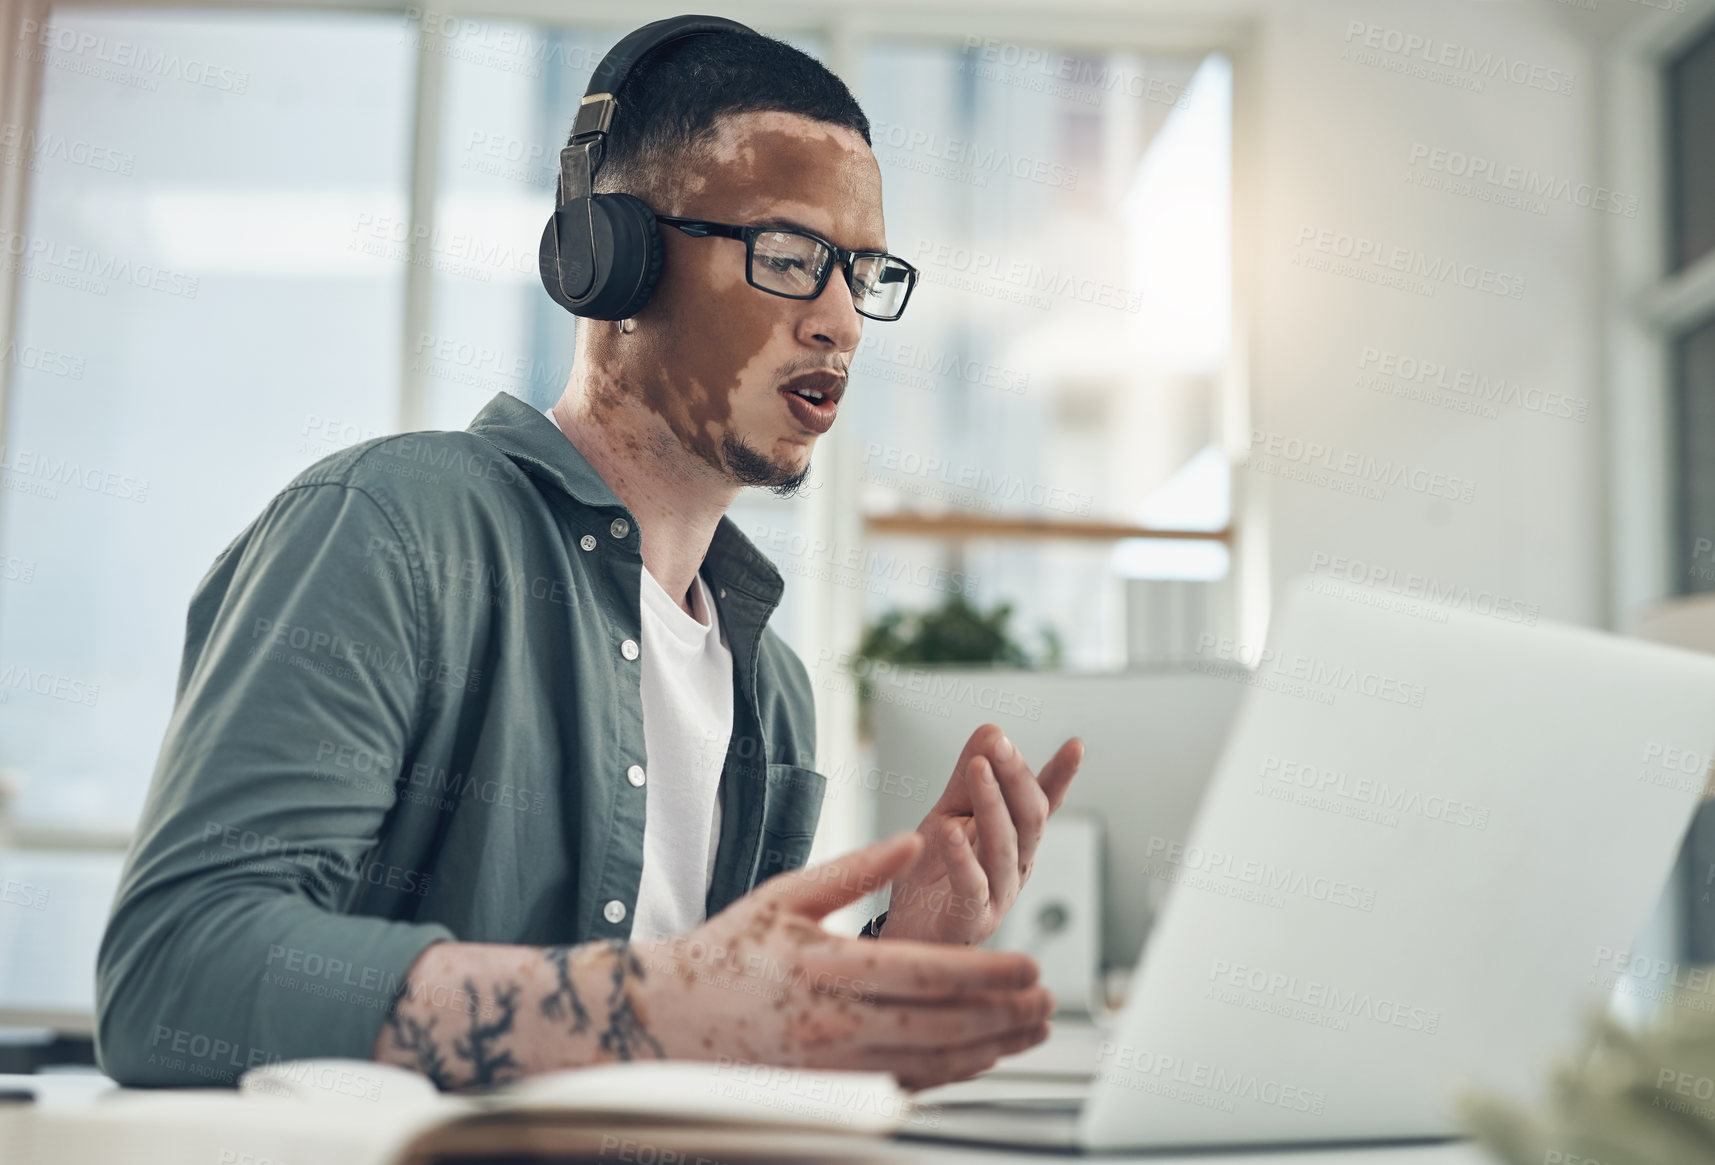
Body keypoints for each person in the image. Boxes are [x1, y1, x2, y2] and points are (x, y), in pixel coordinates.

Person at [94, 19, 1084, 1094]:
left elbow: (710, 1056)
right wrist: (638, 1005)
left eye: (863, 272)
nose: (841, 318)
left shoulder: (772, 689)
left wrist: (899, 961)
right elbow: (174, 974)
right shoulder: (390, 527)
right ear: (609, 261)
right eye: (792, 257)